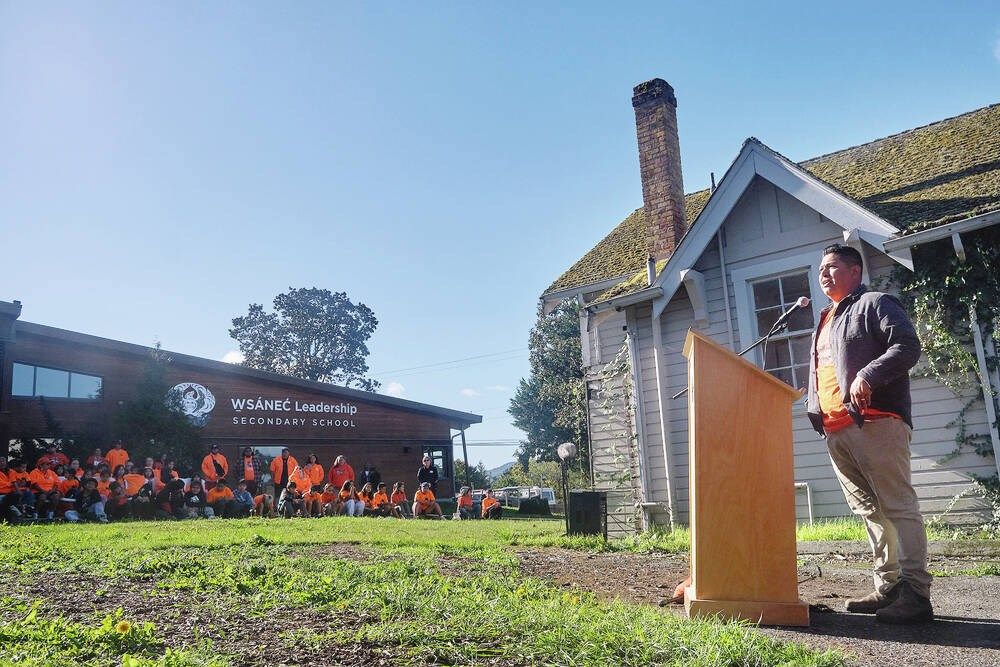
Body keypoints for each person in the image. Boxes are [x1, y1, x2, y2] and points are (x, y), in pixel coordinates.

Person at [807, 243, 931, 625]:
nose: (824, 274)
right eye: (821, 269)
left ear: (855, 271)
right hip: (835, 428)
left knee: (897, 506)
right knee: (871, 512)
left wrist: (867, 375)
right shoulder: (826, 317)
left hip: (875, 421)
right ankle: (889, 587)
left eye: (831, 267)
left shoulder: (876, 303)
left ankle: (916, 593)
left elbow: (907, 346)